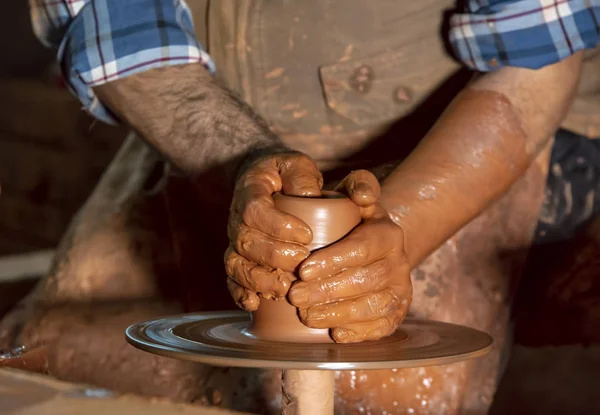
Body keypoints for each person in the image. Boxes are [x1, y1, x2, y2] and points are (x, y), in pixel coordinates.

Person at [1, 0, 599, 413]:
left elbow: (536, 59)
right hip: (210, 119)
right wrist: (243, 160)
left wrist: (404, 225)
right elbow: (119, 40)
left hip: (458, 115)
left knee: (382, 392)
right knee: (43, 359)